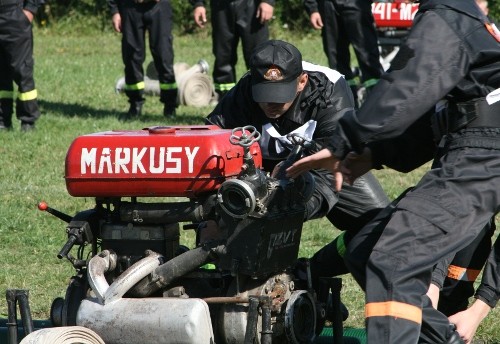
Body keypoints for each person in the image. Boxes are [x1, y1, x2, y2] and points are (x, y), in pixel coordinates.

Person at [286, 0, 500, 342]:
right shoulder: (465, 21)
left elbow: (405, 86)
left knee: (394, 259)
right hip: (476, 151)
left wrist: (347, 140)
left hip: (484, 157)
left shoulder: (450, 14)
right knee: (367, 248)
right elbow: (441, 118)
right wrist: (371, 154)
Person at [205, 39, 390, 294]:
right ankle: (224, 289)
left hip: (325, 166)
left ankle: (313, 271)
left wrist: (290, 208)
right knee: (218, 217)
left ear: (301, 81)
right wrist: (216, 213)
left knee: (379, 223)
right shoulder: (244, 91)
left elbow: (333, 160)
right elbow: (212, 144)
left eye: (280, 95)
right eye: (264, 95)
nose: (271, 104)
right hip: (258, 174)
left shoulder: (330, 89)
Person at [303, 0, 384, 107]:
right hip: (328, 5)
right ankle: (347, 107)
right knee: (336, 60)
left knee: (368, 57)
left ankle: (377, 104)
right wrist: (313, 8)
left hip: (357, 4)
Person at [108, 0, 178, 118]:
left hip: (159, 6)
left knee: (164, 56)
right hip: (130, 7)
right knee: (132, 58)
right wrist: (114, 10)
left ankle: (170, 106)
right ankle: (135, 104)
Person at [191, 0, 273, 100]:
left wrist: (268, 1)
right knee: (223, 59)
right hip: (221, 6)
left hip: (253, 6)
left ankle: (262, 104)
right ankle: (225, 104)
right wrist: (198, 4)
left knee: (259, 59)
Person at [0, 0, 43, 132]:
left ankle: (28, 122)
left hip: (14, 14)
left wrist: (30, 9)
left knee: (22, 71)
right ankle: (2, 121)